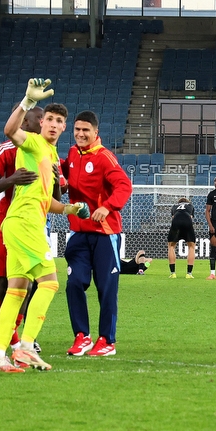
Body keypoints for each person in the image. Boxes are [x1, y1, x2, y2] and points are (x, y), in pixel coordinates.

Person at [0, 80, 88, 373]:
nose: (54, 125)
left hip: (24, 222)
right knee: (50, 282)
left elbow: (48, 202)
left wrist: (70, 208)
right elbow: (9, 131)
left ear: (64, 127)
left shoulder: (52, 155)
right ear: (41, 123)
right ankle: (27, 347)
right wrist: (26, 103)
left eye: (59, 122)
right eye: (50, 120)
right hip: (25, 224)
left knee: (17, 289)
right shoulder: (33, 142)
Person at [62, 109, 133, 357]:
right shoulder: (72, 154)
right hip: (78, 233)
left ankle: (107, 340)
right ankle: (82, 336)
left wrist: (107, 206)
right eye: (77, 130)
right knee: (74, 283)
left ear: (95, 133)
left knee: (106, 287)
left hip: (105, 233)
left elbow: (124, 185)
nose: (81, 134)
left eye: (86, 131)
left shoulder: (105, 158)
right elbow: (65, 173)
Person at [0, 105, 43, 353]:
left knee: (29, 282)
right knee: (0, 281)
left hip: (33, 223)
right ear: (25, 122)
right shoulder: (4, 150)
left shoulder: (44, 150)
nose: (44, 123)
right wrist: (12, 179)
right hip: (3, 222)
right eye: (40, 119)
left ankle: (22, 336)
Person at [167, 197, 197, 279]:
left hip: (176, 220)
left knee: (171, 246)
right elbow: (191, 217)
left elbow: (173, 217)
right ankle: (189, 273)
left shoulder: (174, 206)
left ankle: (173, 273)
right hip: (187, 220)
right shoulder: (190, 206)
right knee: (191, 247)